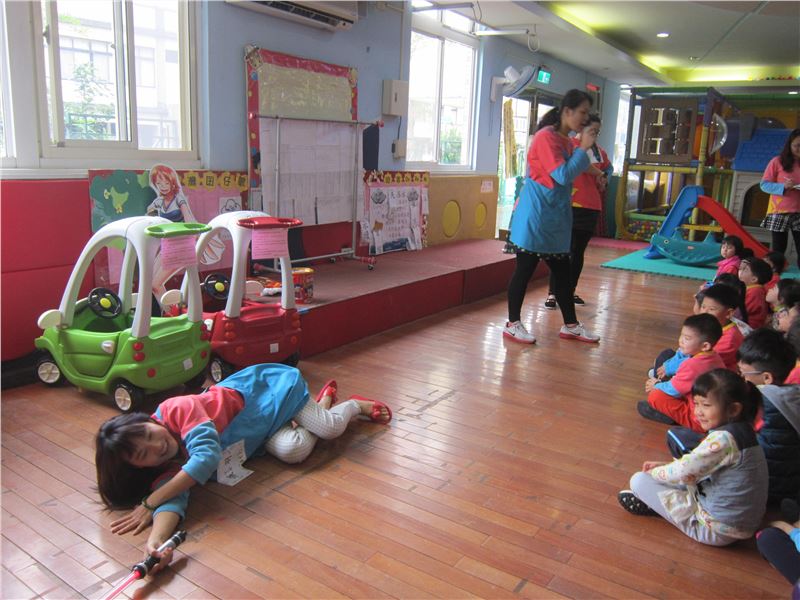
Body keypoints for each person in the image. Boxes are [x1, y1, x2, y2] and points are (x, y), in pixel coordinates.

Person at [95, 363, 391, 571]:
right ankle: (323, 402)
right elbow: (173, 498)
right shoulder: (165, 466)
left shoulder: (177, 409)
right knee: (294, 450)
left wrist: (151, 501)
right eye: (143, 454)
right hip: (261, 433)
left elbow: (205, 458)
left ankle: (352, 405)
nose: (156, 446)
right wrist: (156, 543)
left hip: (274, 391)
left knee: (329, 429)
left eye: (148, 434)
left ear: (148, 420)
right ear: (138, 467)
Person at [619, 369, 768, 547]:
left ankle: (659, 507)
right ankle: (660, 501)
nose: (698, 412)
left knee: (639, 481)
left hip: (716, 530)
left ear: (734, 409)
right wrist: (667, 466)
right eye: (696, 404)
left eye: (706, 405)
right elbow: (698, 468)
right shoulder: (744, 431)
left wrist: (656, 472)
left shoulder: (723, 439)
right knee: (675, 477)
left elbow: (683, 472)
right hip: (742, 523)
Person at [504, 89, 600, 344]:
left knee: (563, 273)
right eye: (582, 112)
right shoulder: (546, 137)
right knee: (524, 270)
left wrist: (596, 168)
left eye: (587, 113)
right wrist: (584, 147)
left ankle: (571, 325)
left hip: (554, 217)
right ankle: (512, 323)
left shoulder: (566, 140)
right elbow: (562, 175)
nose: (585, 118)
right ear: (567, 111)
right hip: (535, 215)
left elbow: (577, 167)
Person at [543, 113, 611, 310]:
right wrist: (599, 172)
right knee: (560, 250)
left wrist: (604, 179)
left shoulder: (600, 152)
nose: (594, 135)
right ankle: (553, 292)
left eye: (597, 132)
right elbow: (577, 166)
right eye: (591, 130)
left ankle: (569, 291)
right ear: (581, 128)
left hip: (591, 206)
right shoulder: (568, 145)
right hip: (568, 203)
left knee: (577, 252)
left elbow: (607, 171)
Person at [737, 329, 800, 504]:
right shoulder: (789, 394)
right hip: (787, 480)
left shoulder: (770, 406)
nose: (741, 377)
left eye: (743, 373)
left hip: (769, 486)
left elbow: (765, 454)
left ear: (766, 378)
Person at [639, 314, 724, 428]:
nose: (681, 341)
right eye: (681, 336)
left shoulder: (692, 365)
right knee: (667, 356)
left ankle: (675, 417)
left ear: (705, 346)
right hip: (711, 409)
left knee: (655, 396)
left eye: (687, 338)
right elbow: (679, 357)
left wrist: (656, 385)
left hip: (700, 420)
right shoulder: (713, 356)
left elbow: (673, 390)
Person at [760, 128, 800, 268]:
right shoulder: (777, 161)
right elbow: (764, 185)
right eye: (797, 145)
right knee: (778, 248)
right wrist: (783, 186)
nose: (799, 149)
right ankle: (774, 274)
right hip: (779, 211)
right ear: (789, 145)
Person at [738, 257, 772, 329]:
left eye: (745, 270)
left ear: (754, 279)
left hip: (749, 328)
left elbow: (740, 310)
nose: (741, 271)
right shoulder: (752, 288)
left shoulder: (755, 292)